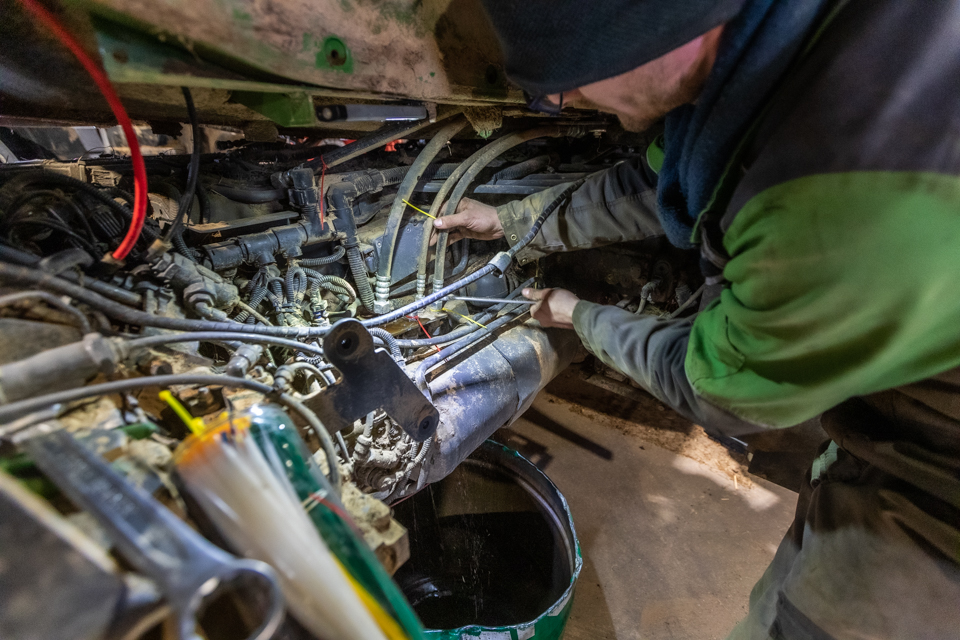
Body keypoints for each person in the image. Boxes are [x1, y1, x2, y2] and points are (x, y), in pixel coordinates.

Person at [433, 1, 960, 638]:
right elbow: (657, 184)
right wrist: (515, 221)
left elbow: (718, 389)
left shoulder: (841, 194)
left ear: (651, 28)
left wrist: (577, 315)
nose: (563, 100)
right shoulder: (769, 56)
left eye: (568, 75)